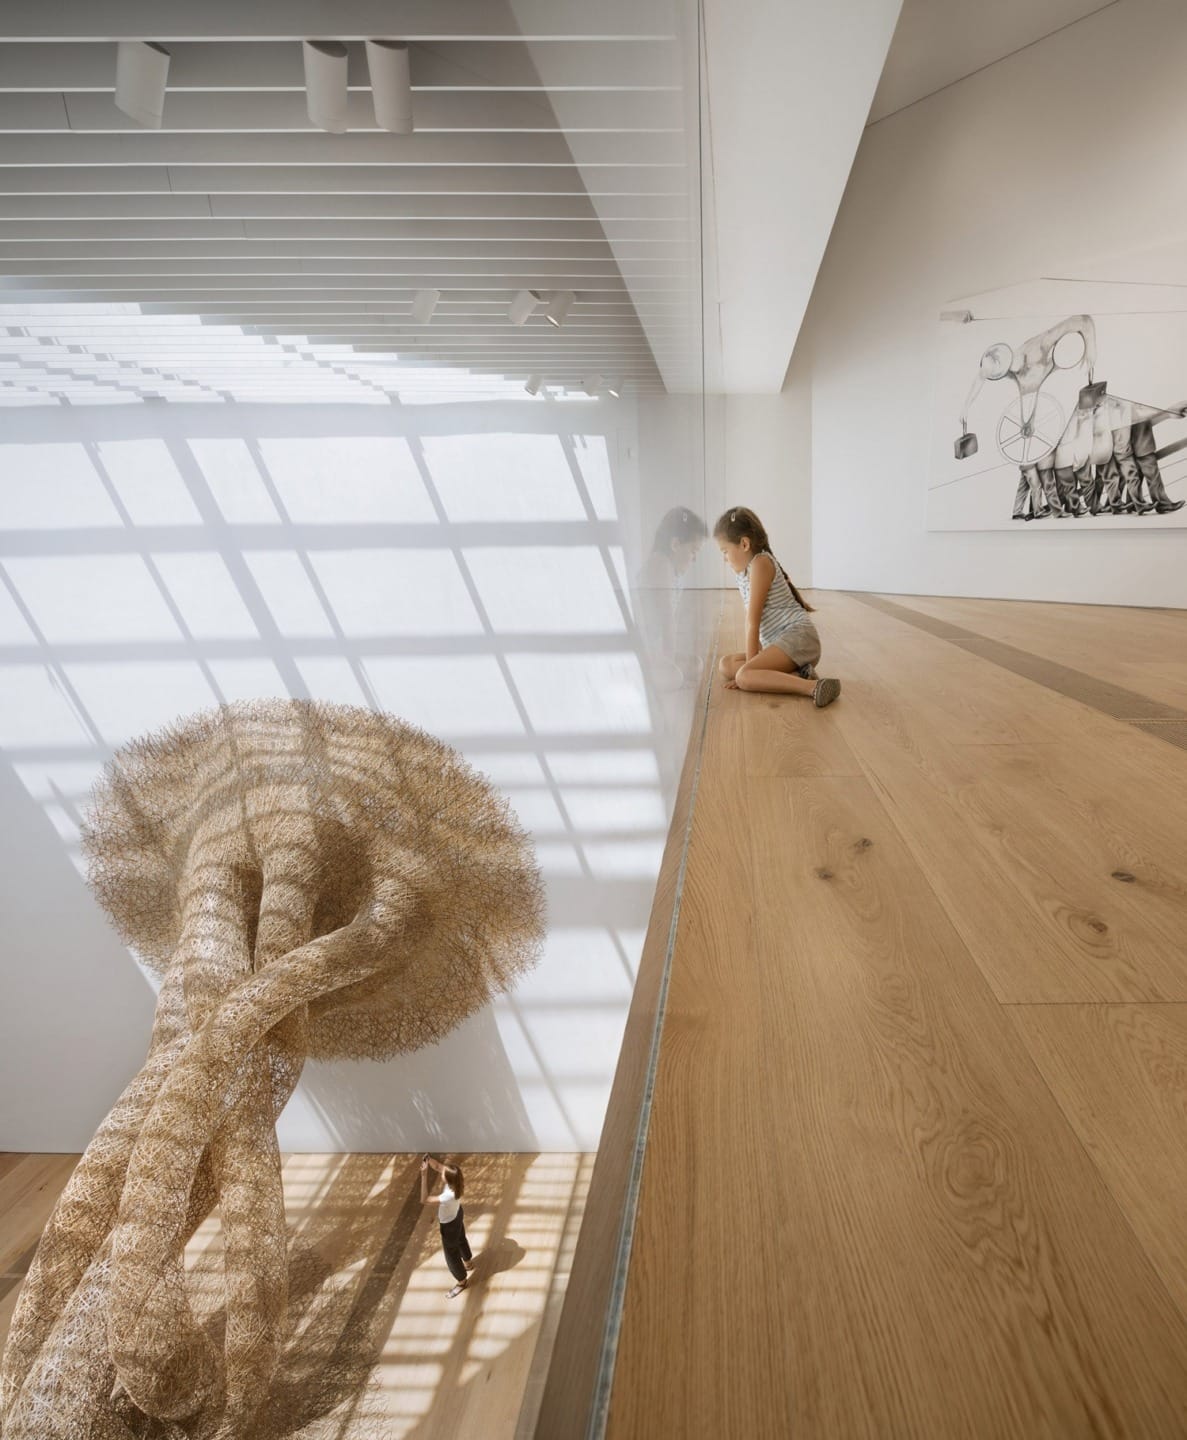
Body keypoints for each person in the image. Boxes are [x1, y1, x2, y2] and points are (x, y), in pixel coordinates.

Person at [713, 506, 840, 706]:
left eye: (725, 551)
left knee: (744, 676)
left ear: (744, 544)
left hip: (798, 638)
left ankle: (814, 688)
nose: (724, 558)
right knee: (726, 665)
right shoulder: (744, 573)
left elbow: (752, 622)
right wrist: (750, 667)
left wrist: (749, 670)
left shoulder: (760, 563)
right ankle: (800, 673)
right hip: (780, 642)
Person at [636, 506, 708, 689]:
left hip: (654, 648)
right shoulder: (661, 564)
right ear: (675, 545)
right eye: (693, 551)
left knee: (695, 664)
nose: (694, 559)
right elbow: (668, 620)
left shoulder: (671, 570)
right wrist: (670, 662)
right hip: (641, 648)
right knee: (674, 677)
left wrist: (671, 657)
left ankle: (661, 670)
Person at [420, 1155, 475, 1298]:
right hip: (458, 1214)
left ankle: (462, 1281)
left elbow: (424, 1200)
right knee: (461, 1238)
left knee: (451, 1255)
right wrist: (428, 1159)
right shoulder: (456, 1181)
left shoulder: (448, 1196)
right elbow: (438, 1166)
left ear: (448, 1180)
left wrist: (424, 1176)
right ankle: (468, 1262)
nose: (441, 1171)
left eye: (444, 1173)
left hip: (449, 1225)